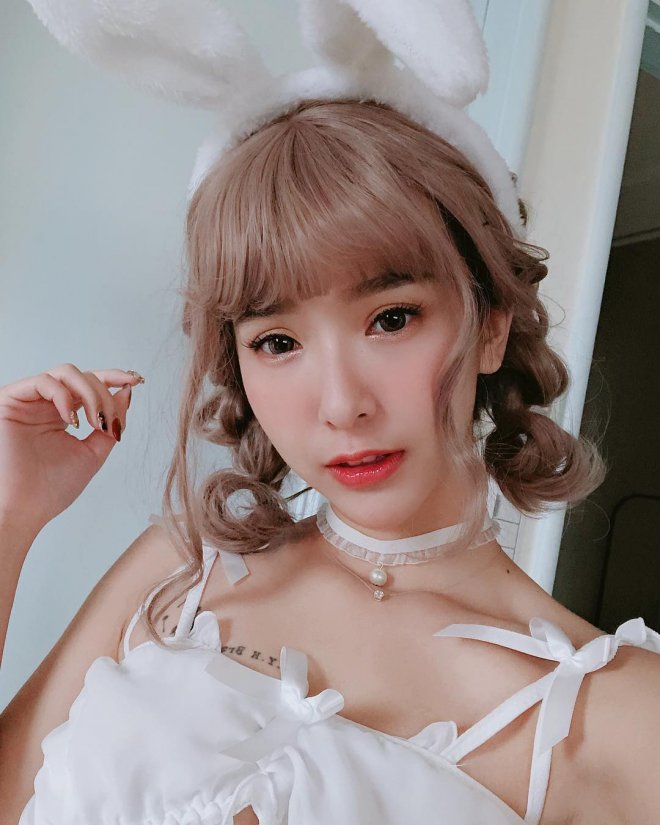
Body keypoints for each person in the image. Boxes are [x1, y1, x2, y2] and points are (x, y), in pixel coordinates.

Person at [3, 2, 660, 824]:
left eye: (392, 318)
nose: (342, 404)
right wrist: (12, 512)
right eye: (278, 341)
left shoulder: (621, 719)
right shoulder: (177, 570)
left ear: (492, 323)